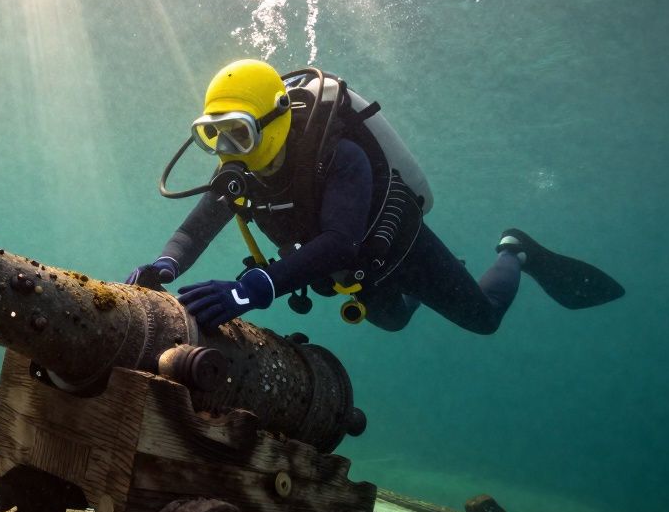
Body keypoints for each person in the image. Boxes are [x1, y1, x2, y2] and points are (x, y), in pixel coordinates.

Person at [126, 59, 623, 335]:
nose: (228, 151)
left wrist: (249, 289)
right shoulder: (242, 170)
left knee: (485, 319)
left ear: (274, 121)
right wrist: (164, 266)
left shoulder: (338, 154)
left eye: (238, 133)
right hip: (352, 274)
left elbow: (340, 242)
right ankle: (430, 288)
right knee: (394, 320)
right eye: (213, 136)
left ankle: (514, 249)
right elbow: (193, 232)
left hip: (401, 250)